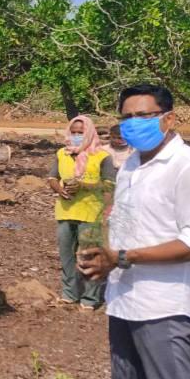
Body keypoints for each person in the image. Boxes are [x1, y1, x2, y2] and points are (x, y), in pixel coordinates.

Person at [79, 85, 190, 379]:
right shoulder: (132, 163)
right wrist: (103, 254)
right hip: (125, 297)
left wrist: (122, 257)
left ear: (169, 118)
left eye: (144, 115)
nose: (134, 123)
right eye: (127, 116)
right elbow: (129, 223)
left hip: (164, 304)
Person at [46, 115, 116, 310]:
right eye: (74, 132)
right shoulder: (62, 153)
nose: (76, 135)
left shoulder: (102, 156)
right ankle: (70, 293)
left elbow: (109, 184)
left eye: (81, 132)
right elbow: (52, 177)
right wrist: (59, 189)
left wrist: (84, 185)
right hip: (65, 211)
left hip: (91, 213)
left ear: (90, 133)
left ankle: (90, 298)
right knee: (66, 255)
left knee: (90, 256)